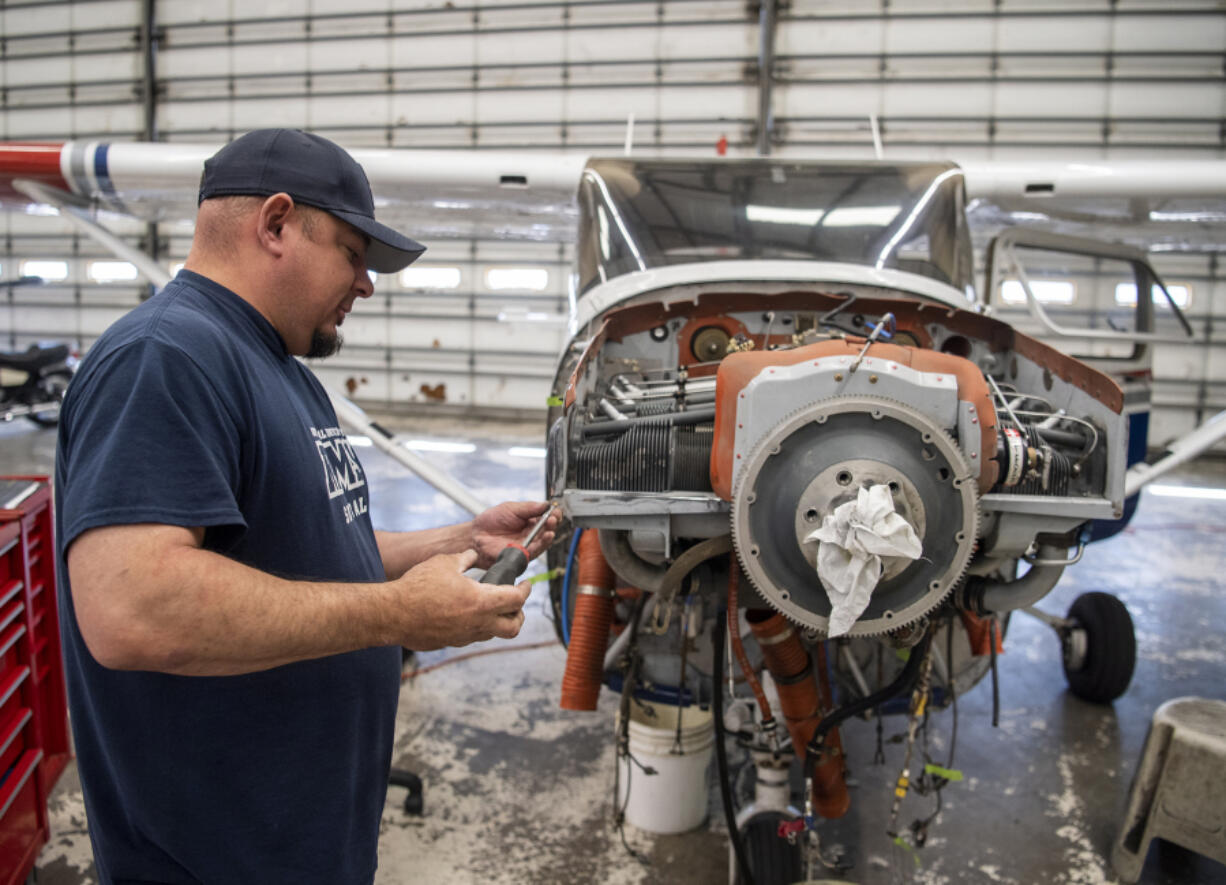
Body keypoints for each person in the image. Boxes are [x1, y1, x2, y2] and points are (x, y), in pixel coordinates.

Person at [54, 129, 558, 884]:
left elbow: (312, 541)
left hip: (300, 840)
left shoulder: (277, 366)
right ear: (277, 223)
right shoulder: (165, 357)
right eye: (353, 254)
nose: (367, 284)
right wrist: (398, 614)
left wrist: (462, 537)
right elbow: (133, 607)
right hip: (214, 857)